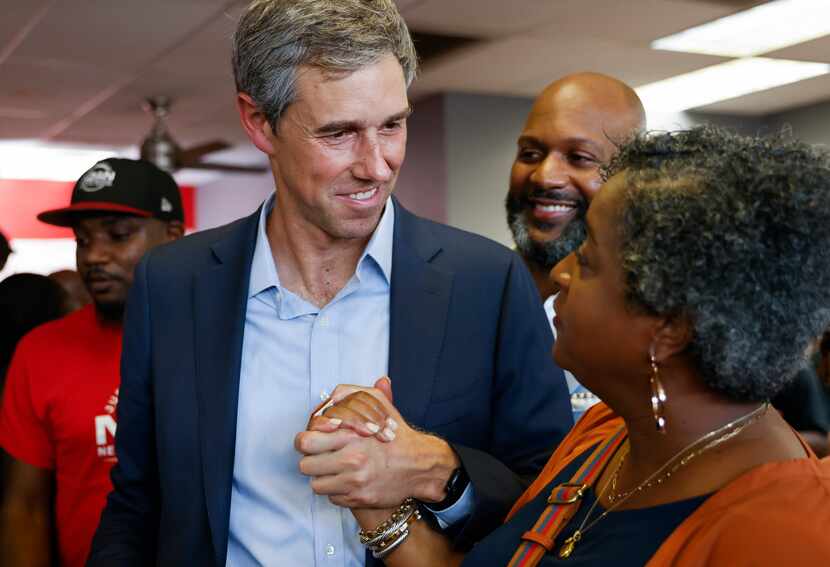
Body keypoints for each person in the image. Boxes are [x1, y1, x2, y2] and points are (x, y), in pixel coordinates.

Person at [88, 1, 571, 566]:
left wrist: (437, 469)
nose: (377, 165)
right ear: (259, 121)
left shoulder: (486, 283)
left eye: (393, 124)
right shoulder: (173, 285)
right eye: (339, 133)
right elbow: (137, 505)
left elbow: (553, 497)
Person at [319, 126, 830, 565]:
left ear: (669, 325)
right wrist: (378, 499)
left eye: (587, 260)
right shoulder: (606, 435)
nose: (561, 272)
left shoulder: (788, 533)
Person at [0, 158, 184, 567]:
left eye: (117, 236)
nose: (94, 256)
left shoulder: (223, 336)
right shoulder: (41, 352)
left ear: (173, 237)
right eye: (83, 240)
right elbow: (24, 507)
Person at [506, 72, 645, 421]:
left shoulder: (653, 326)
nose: (545, 176)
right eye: (531, 153)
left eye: (579, 157)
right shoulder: (468, 292)